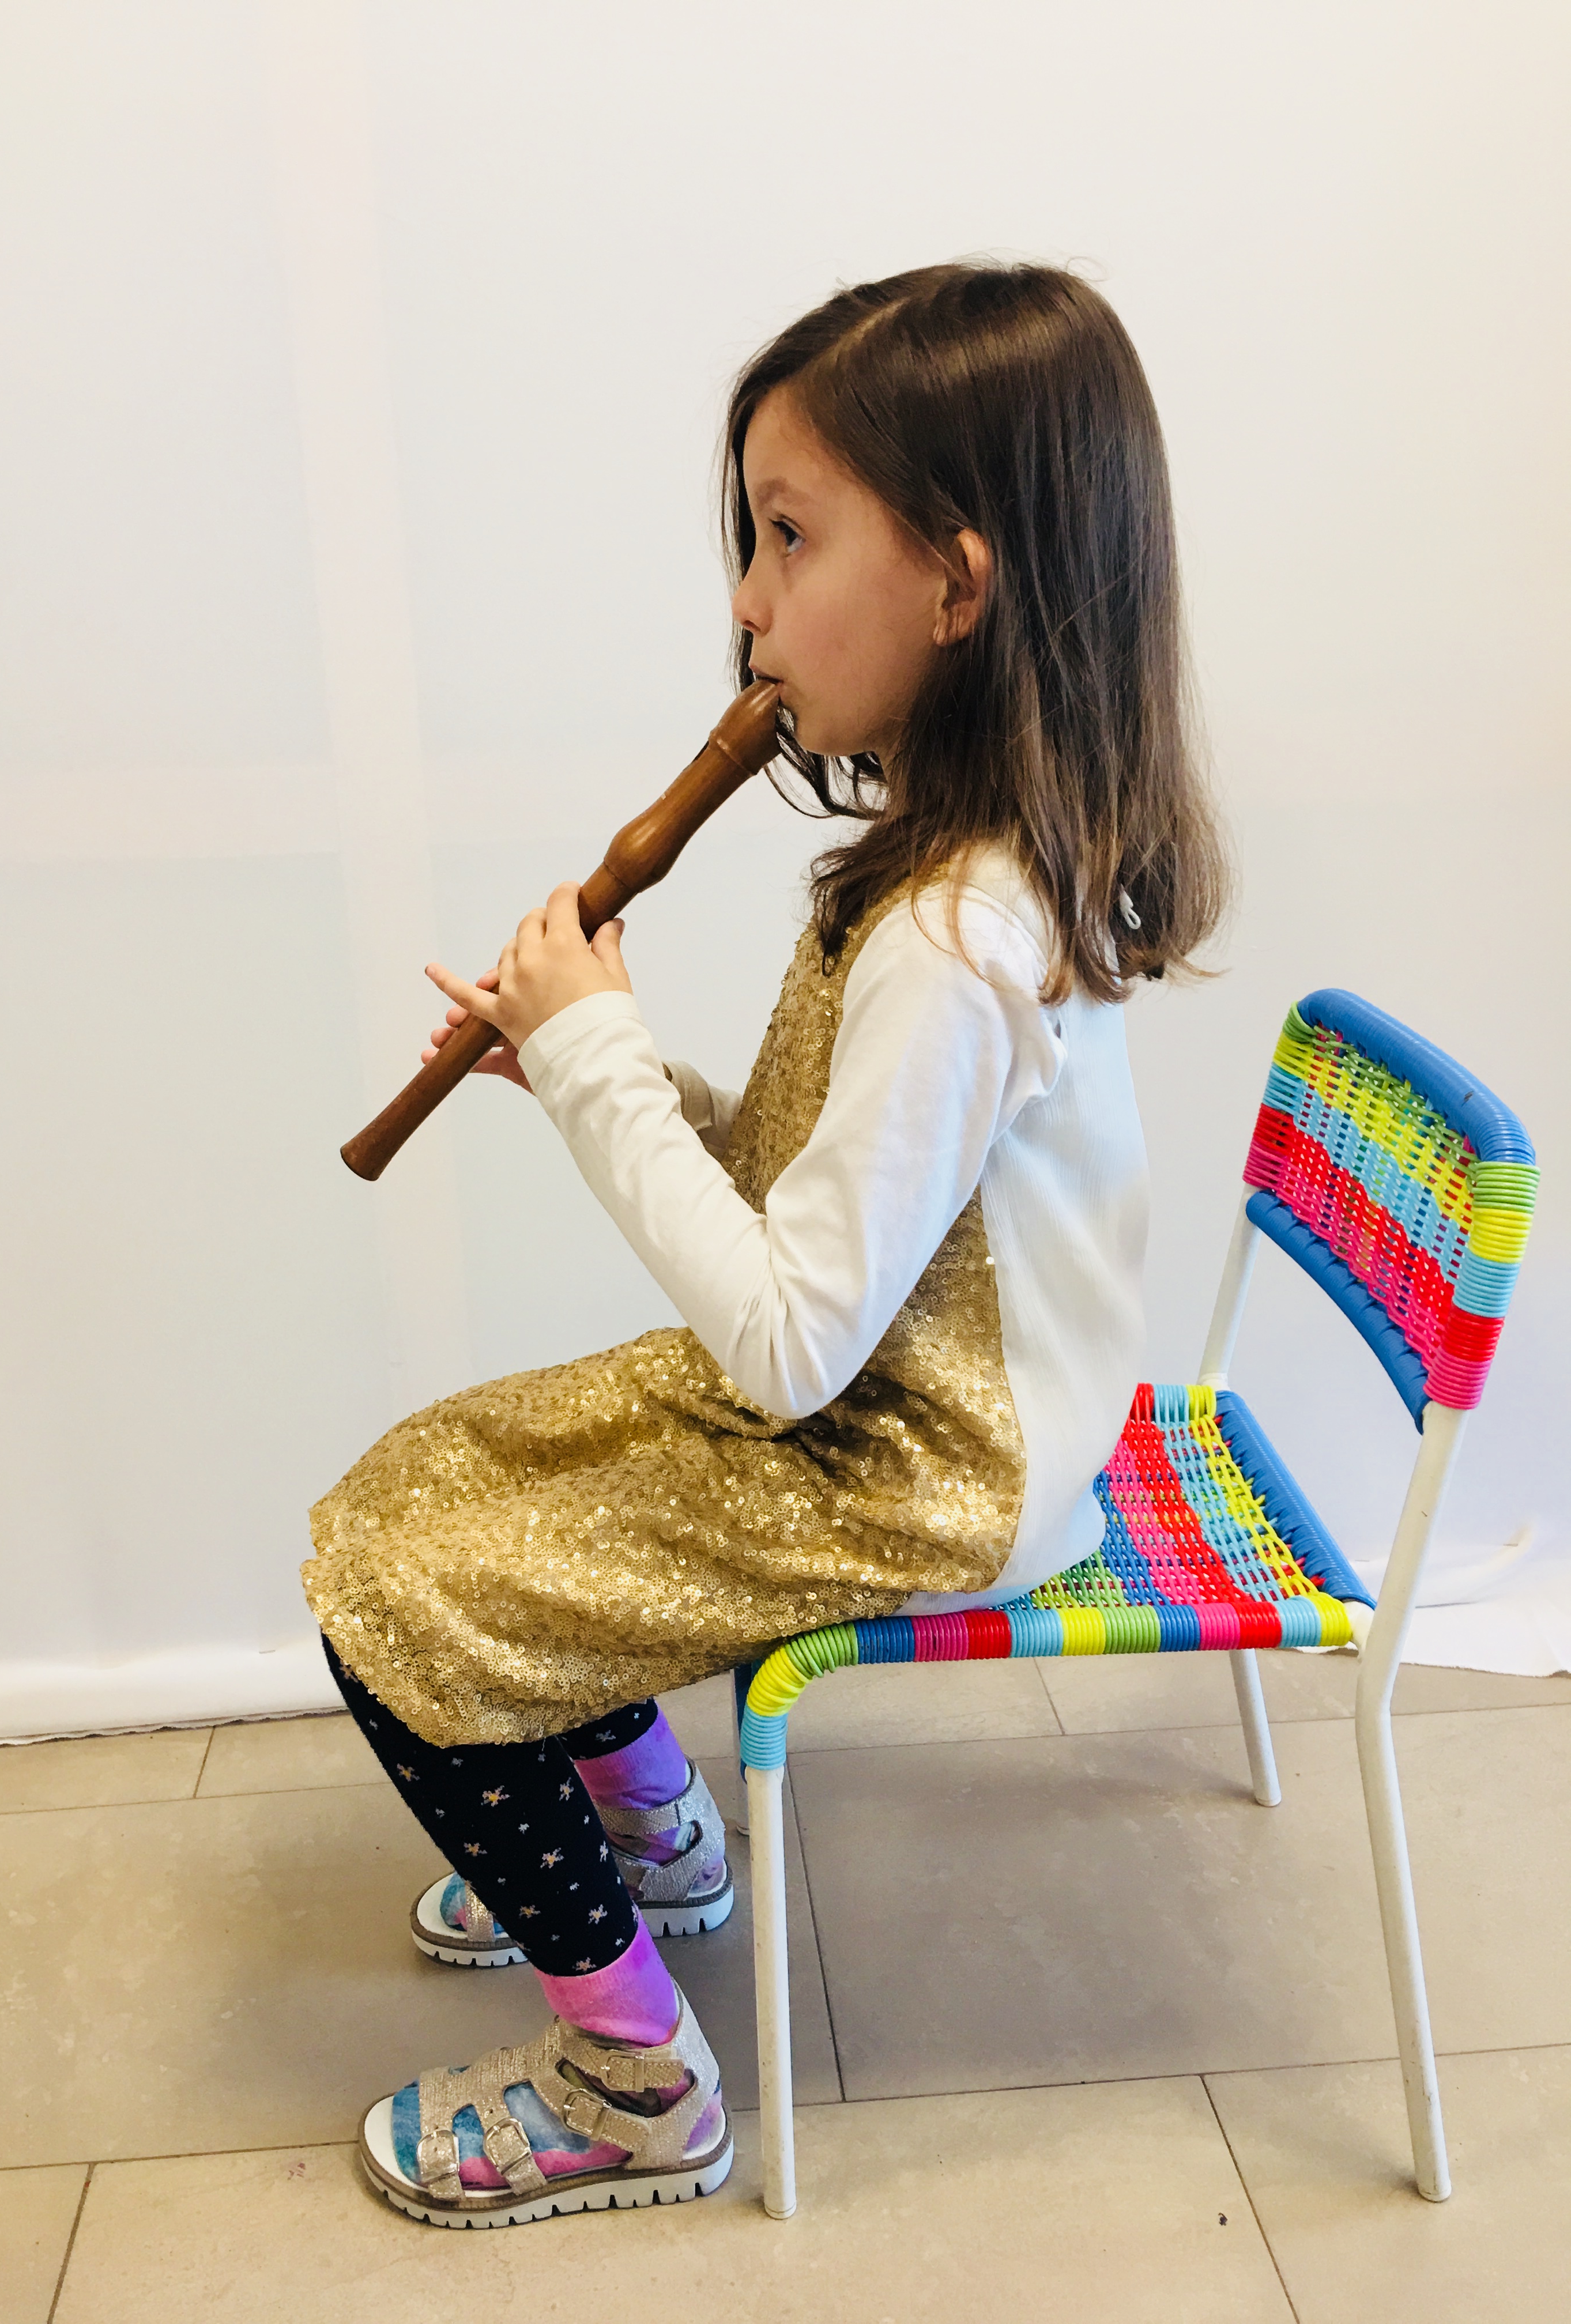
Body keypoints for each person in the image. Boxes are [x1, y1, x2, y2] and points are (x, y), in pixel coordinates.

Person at [303, 260, 1227, 2226]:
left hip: (925, 1462)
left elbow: (790, 1339)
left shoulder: (960, 939)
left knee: (397, 1585)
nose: (746, 598)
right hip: (902, 1401)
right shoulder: (944, 872)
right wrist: (597, 1071)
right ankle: (658, 1848)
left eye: (789, 537)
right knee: (476, 1474)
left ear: (960, 585)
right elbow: (839, 1200)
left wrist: (600, 1073)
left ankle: (635, 2079)